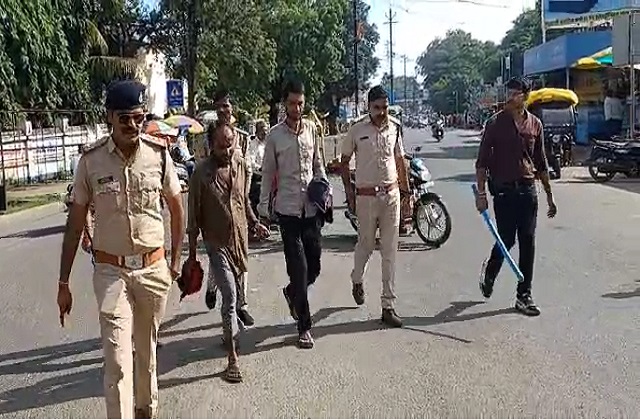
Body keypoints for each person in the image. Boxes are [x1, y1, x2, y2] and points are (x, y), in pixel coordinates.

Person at [57, 80, 184, 419]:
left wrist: (175, 262)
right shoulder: (91, 161)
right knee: (117, 362)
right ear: (110, 117)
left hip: (153, 270)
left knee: (146, 353)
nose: (132, 125)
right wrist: (63, 283)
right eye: (124, 118)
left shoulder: (158, 155)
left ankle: (145, 410)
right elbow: (75, 224)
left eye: (138, 118)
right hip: (112, 273)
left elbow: (176, 208)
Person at [187, 121, 269, 383]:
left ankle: (228, 332)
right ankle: (232, 358)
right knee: (231, 296)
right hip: (217, 244)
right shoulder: (200, 174)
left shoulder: (240, 165)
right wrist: (191, 256)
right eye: (221, 146)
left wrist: (255, 223)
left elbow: (242, 201)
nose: (227, 150)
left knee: (235, 295)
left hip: (240, 242)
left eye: (230, 144)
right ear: (211, 145)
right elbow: (193, 219)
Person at [475, 76, 557, 317]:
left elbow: (541, 161)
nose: (509, 97)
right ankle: (490, 271)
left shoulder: (535, 125)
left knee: (528, 241)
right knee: (507, 240)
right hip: (503, 191)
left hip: (528, 190)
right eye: (508, 93)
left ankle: (524, 295)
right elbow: (482, 162)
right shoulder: (495, 123)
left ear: (526, 96)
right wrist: (481, 194)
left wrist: (549, 195)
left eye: (515, 93)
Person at [258, 79, 326, 348]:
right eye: (292, 103)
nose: (297, 108)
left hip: (311, 210)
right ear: (284, 104)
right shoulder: (275, 136)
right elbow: (267, 174)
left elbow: (318, 164)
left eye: (300, 103)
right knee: (299, 269)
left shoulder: (312, 130)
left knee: (314, 267)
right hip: (287, 212)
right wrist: (263, 208)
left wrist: (324, 189)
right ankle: (304, 327)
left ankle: (291, 292)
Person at [339, 85, 410, 328]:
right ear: (368, 107)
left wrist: (406, 193)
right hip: (366, 198)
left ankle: (388, 306)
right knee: (366, 245)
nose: (381, 113)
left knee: (389, 251)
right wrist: (349, 192)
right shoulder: (356, 129)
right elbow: (344, 161)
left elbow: (400, 160)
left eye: (385, 107)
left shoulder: (395, 127)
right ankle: (357, 278)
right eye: (377, 108)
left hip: (391, 196)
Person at [204, 90, 254, 328]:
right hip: (215, 203)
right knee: (218, 256)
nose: (224, 110)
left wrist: (245, 200)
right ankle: (211, 287)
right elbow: (202, 169)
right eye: (220, 106)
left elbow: (247, 168)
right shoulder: (208, 135)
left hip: (238, 201)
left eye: (227, 106)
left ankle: (241, 304)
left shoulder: (241, 136)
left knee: (241, 256)